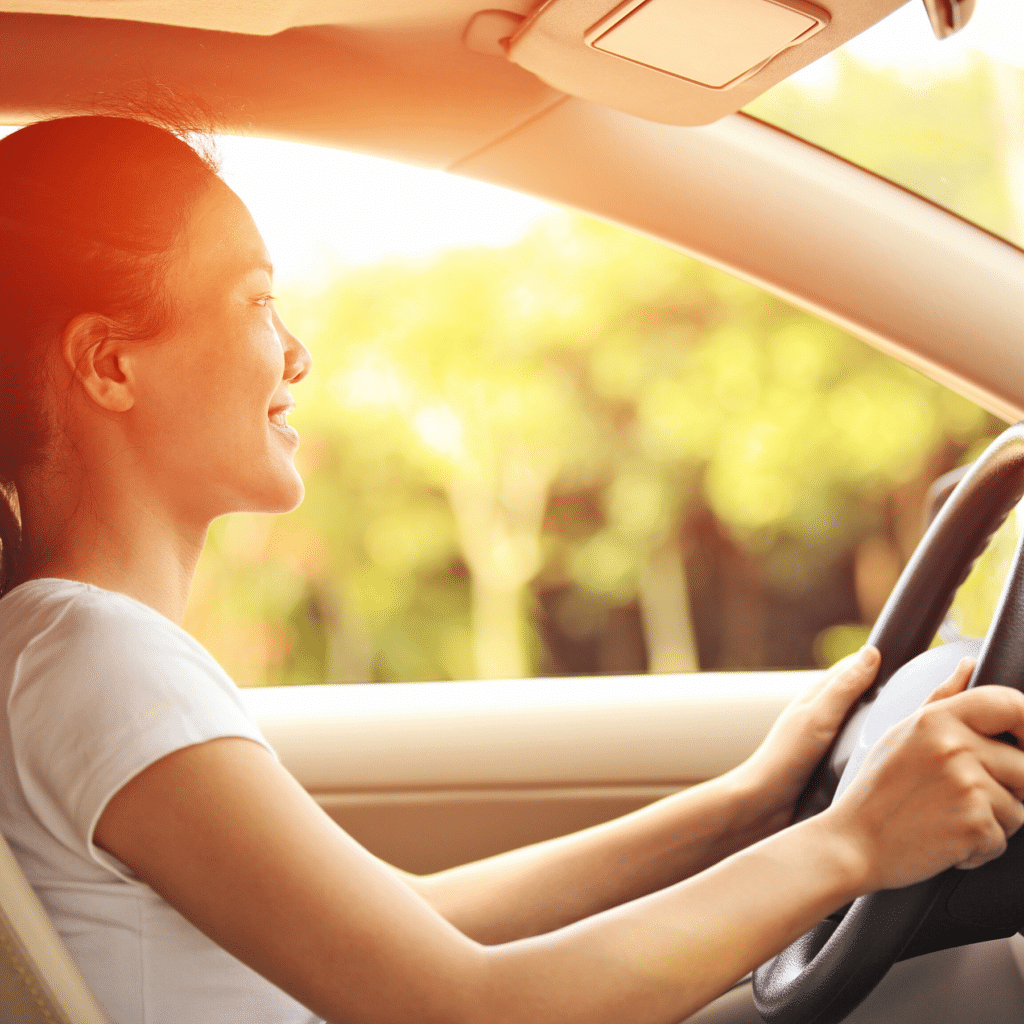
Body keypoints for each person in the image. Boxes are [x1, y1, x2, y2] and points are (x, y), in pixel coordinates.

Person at [1, 114, 1023, 1024]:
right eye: (257, 300)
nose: (298, 352)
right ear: (108, 364)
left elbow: (414, 922)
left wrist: (749, 802)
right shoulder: (96, 660)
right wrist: (851, 844)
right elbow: (462, 1003)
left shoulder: (66, 652)